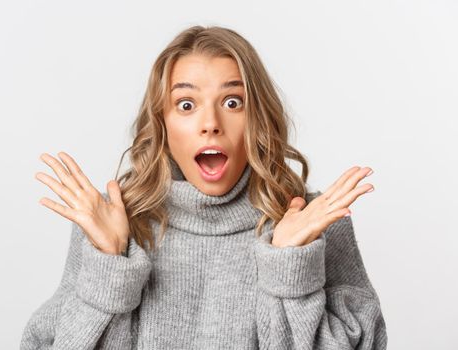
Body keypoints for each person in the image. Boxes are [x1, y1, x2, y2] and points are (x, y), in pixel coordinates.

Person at [20, 25, 387, 349]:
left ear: (258, 116)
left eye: (232, 102)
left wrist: (290, 267)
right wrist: (110, 263)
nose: (210, 123)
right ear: (161, 123)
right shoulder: (113, 221)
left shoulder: (313, 221)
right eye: (186, 104)